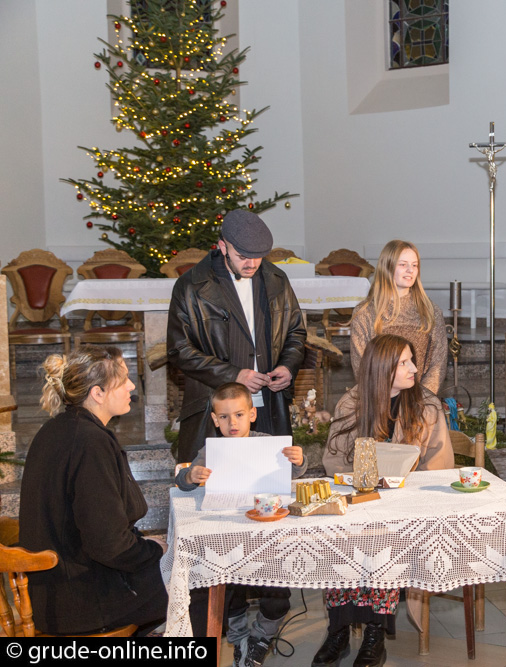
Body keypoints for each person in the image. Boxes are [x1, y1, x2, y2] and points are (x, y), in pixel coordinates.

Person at [314, 333, 454, 667]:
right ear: (382, 369)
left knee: (383, 542)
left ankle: (376, 633)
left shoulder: (427, 406)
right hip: (359, 500)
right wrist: (364, 482)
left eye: (412, 360)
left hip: (406, 507)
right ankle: (339, 630)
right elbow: (333, 461)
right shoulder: (352, 403)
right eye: (404, 362)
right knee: (340, 541)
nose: (415, 369)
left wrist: (403, 487)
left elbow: (440, 466)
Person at [19, 346, 168, 636]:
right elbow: (109, 546)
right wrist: (154, 549)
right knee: (202, 579)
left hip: (60, 589)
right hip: (81, 599)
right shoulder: (90, 442)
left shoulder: (58, 428)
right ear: (97, 393)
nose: (132, 386)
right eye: (123, 379)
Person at [180, 382, 306, 667]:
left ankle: (261, 638)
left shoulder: (269, 444)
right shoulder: (211, 451)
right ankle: (239, 639)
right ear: (215, 419)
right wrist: (191, 475)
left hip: (267, 537)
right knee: (231, 591)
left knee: (277, 593)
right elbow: (183, 482)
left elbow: (294, 470)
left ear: (251, 414)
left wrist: (299, 460)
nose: (231, 422)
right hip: (229, 539)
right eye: (223, 417)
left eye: (238, 415)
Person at [167, 209, 307, 463]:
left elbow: (295, 332)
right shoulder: (191, 286)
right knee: (215, 484)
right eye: (242, 257)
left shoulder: (277, 279)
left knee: (270, 481)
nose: (251, 264)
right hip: (217, 408)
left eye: (258, 257)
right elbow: (179, 350)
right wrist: (234, 375)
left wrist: (288, 366)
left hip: (268, 401)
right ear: (223, 247)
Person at [350, 240, 447, 393]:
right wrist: (387, 400)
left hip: (421, 401)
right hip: (380, 401)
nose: (410, 270)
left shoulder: (430, 311)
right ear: (387, 267)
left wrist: (423, 399)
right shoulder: (365, 313)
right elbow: (362, 366)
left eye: (414, 265)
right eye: (403, 265)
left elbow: (438, 363)